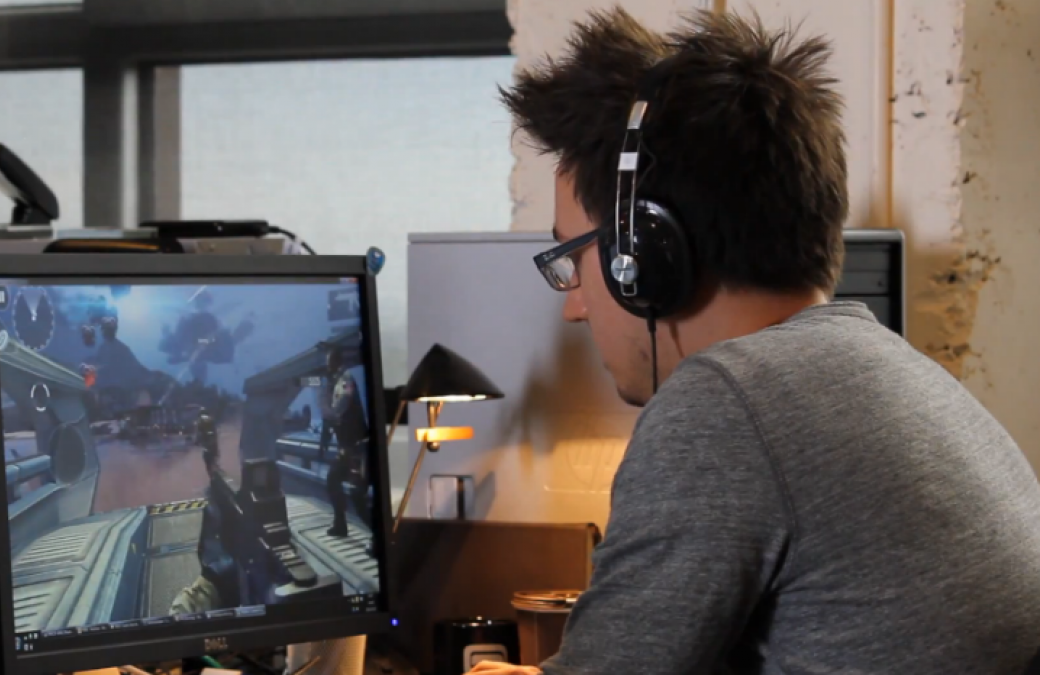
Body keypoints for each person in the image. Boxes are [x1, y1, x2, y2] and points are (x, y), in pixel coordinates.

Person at [472, 7, 1040, 675]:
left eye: (575, 256)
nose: (574, 306)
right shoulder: (898, 373)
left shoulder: (723, 407)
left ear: (643, 255)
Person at [318, 346, 371, 538]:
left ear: (335, 362)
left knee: (356, 493)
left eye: (328, 363)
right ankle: (340, 524)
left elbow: (339, 408)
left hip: (356, 447)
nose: (327, 367)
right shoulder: (340, 381)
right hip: (349, 447)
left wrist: (325, 402)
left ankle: (376, 534)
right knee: (334, 479)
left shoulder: (346, 380)